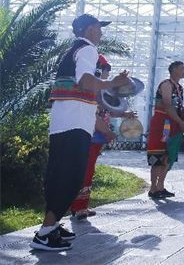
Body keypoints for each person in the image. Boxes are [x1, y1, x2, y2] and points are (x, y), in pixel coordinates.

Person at [31, 14, 131, 252]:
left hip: (66, 122)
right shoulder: (87, 50)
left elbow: (84, 88)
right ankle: (45, 233)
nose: (101, 33)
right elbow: (86, 81)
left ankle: (51, 227)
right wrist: (113, 83)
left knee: (60, 174)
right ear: (88, 30)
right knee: (70, 177)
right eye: (98, 27)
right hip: (74, 124)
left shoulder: (74, 50)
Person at [69, 55, 137, 219]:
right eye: (106, 72)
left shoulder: (98, 90)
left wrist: (124, 114)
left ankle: (81, 205)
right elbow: (92, 115)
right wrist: (107, 131)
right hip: (90, 136)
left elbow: (106, 111)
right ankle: (78, 207)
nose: (107, 76)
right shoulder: (91, 89)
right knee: (85, 171)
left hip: (94, 137)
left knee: (88, 170)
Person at [146, 61, 184, 198]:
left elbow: (179, 107)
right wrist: (180, 122)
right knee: (158, 155)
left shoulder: (179, 88)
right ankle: (153, 188)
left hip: (172, 124)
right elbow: (167, 106)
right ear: (173, 70)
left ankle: (160, 186)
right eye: (182, 68)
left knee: (168, 156)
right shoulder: (166, 85)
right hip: (163, 124)